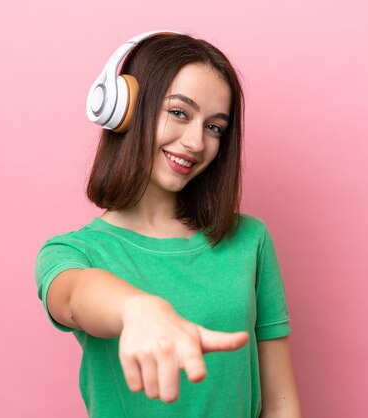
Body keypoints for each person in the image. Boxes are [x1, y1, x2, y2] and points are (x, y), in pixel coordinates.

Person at [35, 30, 301, 418]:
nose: (196, 142)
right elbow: (74, 296)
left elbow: (280, 403)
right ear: (124, 110)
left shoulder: (249, 240)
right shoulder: (73, 252)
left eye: (215, 127)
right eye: (179, 112)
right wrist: (137, 309)